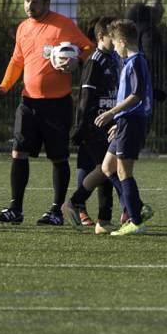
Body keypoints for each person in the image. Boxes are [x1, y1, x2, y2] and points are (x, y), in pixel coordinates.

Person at [0, 0, 93, 226]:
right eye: (27, 1)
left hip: (57, 104)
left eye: (35, 1)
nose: (29, 6)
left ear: (47, 3)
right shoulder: (23, 28)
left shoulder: (63, 25)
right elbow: (17, 60)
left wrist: (77, 61)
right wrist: (4, 86)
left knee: (58, 157)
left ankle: (56, 212)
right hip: (28, 102)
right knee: (18, 152)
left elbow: (89, 47)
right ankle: (15, 209)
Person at [63, 19, 154, 236]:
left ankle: (135, 218)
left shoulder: (135, 61)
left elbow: (136, 95)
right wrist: (117, 120)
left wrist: (113, 114)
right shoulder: (124, 61)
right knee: (106, 168)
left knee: (122, 171)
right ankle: (80, 204)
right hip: (121, 123)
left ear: (122, 42)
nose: (114, 48)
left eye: (115, 43)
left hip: (129, 122)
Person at [67, 16, 123, 233]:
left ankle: (103, 220)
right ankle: (76, 202)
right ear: (101, 36)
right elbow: (85, 97)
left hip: (109, 124)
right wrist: (80, 125)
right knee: (107, 169)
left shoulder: (114, 58)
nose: (117, 40)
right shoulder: (95, 61)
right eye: (113, 36)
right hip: (94, 126)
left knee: (106, 171)